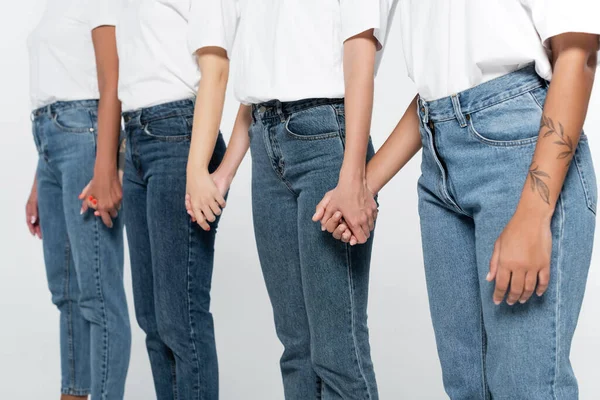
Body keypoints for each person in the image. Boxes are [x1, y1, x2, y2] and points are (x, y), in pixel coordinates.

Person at [317, 1, 599, 398]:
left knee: (527, 386)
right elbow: (441, 94)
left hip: (522, 152)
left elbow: (578, 52)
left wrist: (535, 212)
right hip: (437, 155)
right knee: (466, 386)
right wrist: (365, 184)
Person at [185, 1, 396, 398]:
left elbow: (360, 50)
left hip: (326, 139)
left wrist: (354, 177)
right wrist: (226, 171)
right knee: (296, 349)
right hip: (265, 141)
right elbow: (263, 78)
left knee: (337, 351)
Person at [116, 0, 226, 398]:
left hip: (180, 138)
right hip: (137, 141)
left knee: (181, 319)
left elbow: (215, 68)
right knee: (153, 322)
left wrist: (197, 169)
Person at [25, 0, 131, 399]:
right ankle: (73, 394)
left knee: (99, 295)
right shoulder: (53, 7)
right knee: (65, 290)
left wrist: (106, 168)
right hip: (50, 145)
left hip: (85, 140)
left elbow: (112, 80)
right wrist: (39, 180)